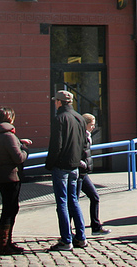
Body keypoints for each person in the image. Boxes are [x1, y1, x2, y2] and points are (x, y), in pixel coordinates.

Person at [46, 90, 87, 251]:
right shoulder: (79, 118)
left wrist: (50, 163)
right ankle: (81, 237)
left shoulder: (60, 118)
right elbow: (84, 143)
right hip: (74, 165)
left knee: (62, 203)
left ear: (59, 102)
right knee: (74, 201)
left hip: (61, 166)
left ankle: (66, 240)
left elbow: (56, 145)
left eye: (55, 101)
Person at [0, 106, 32, 255]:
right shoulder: (8, 135)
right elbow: (18, 157)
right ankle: (4, 245)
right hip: (10, 177)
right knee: (9, 210)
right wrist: (25, 149)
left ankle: (7, 242)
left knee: (10, 208)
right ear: (10, 119)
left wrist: (18, 142)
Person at [79, 113, 110, 235]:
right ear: (85, 124)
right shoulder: (80, 136)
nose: (93, 127)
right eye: (91, 124)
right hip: (79, 173)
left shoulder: (87, 136)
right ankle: (68, 231)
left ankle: (95, 227)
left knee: (94, 197)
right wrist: (82, 164)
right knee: (74, 201)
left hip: (83, 172)